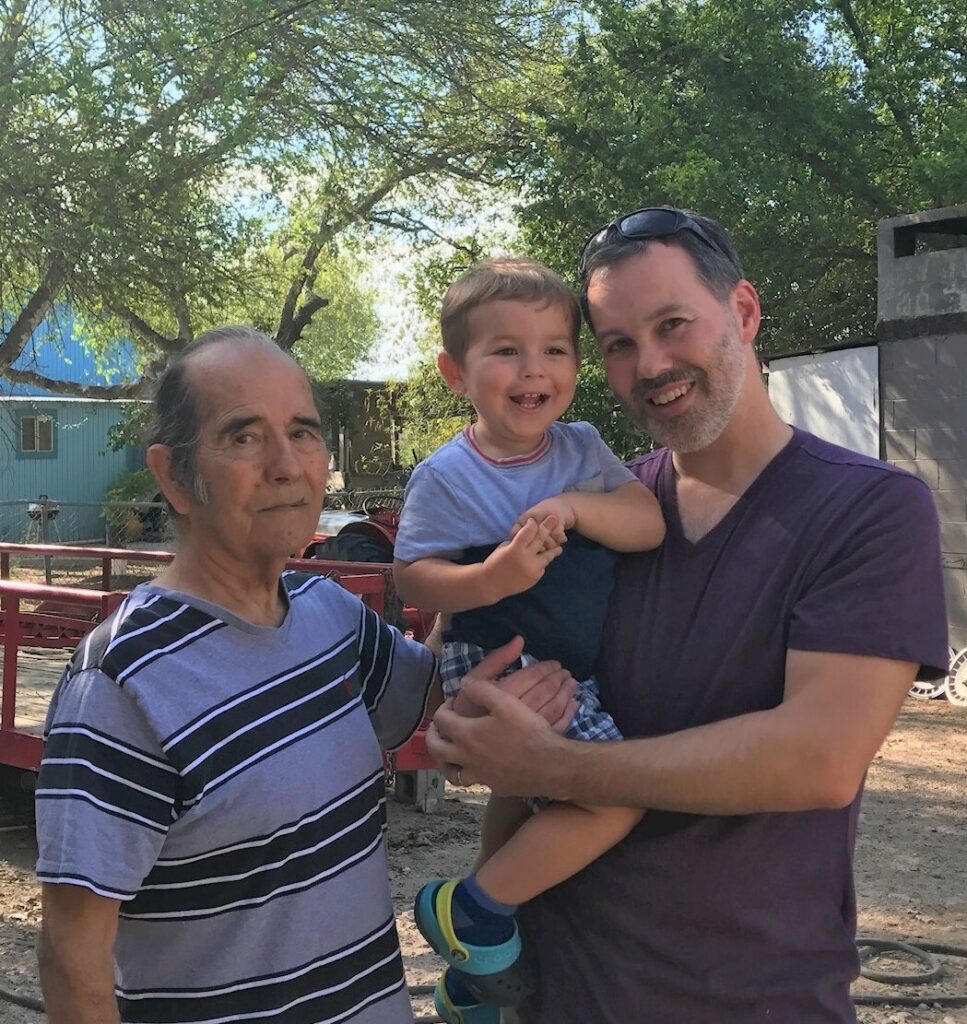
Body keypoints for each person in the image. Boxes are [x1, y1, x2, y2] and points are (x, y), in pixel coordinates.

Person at [427, 209, 949, 1023]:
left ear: (741, 313)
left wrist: (553, 769)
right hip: (557, 989)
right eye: (617, 344)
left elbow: (815, 759)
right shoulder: (592, 507)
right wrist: (474, 719)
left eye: (672, 325)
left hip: (749, 1001)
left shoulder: (867, 511)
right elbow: (479, 648)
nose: (651, 364)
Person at [34, 326, 575, 1024]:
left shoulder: (330, 619)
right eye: (244, 436)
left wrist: (487, 564)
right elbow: (72, 953)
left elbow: (440, 703)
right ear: (172, 475)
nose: (287, 465)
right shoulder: (122, 681)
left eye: (303, 431)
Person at [393, 257, 665, 1024]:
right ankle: (475, 908)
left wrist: (575, 508)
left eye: (554, 348)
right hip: (497, 652)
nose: (532, 369)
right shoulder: (447, 475)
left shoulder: (579, 449)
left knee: (522, 789)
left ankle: (473, 971)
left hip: (563, 653)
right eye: (505, 350)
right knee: (611, 797)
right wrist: (492, 577)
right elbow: (412, 577)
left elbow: (647, 524)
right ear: (455, 372)